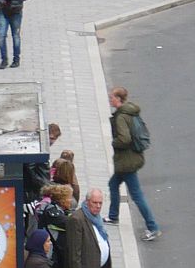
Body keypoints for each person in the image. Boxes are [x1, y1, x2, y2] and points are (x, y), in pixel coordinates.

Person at [107, 87, 161, 241]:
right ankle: (113, 216)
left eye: (112, 97)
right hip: (130, 159)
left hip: (127, 161)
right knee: (113, 184)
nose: (110, 99)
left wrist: (114, 142)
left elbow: (124, 139)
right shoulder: (131, 111)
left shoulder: (121, 117)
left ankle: (153, 227)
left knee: (137, 195)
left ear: (118, 99)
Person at [66, 189, 112, 267]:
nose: (98, 206)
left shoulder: (96, 217)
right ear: (87, 202)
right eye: (94, 202)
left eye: (100, 203)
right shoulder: (77, 219)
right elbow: (74, 254)